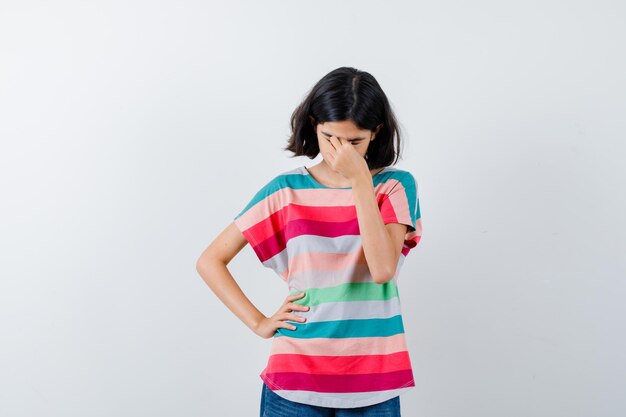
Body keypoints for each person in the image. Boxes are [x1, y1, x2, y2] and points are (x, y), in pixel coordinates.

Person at [196, 66, 423, 417]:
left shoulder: (394, 186)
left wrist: (360, 180)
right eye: (331, 138)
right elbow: (210, 261)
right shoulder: (286, 190)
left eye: (354, 142)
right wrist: (259, 322)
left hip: (373, 384)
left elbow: (382, 270)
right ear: (314, 125)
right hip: (294, 379)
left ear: (376, 133)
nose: (340, 152)